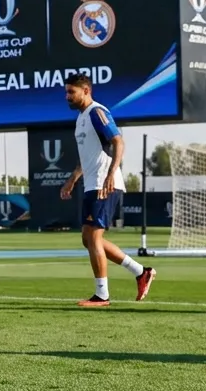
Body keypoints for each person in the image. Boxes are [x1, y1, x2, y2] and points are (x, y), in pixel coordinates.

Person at [60, 73, 156, 307]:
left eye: (71, 92)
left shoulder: (96, 111)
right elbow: (88, 156)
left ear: (86, 91)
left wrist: (111, 173)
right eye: (66, 92)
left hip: (105, 184)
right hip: (92, 184)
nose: (67, 97)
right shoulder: (81, 118)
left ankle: (102, 295)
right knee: (88, 239)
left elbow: (118, 141)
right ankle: (140, 271)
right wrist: (73, 178)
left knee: (93, 237)